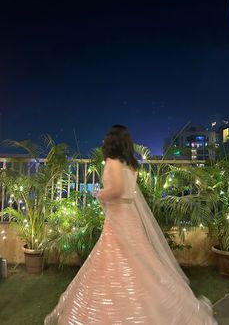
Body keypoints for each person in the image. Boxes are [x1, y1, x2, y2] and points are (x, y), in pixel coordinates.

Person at [44, 125, 217, 324]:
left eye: (105, 139)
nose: (102, 143)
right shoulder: (131, 165)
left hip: (118, 221)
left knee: (113, 264)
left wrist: (99, 193)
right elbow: (128, 192)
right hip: (129, 218)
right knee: (141, 265)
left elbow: (116, 190)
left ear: (112, 142)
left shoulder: (112, 162)